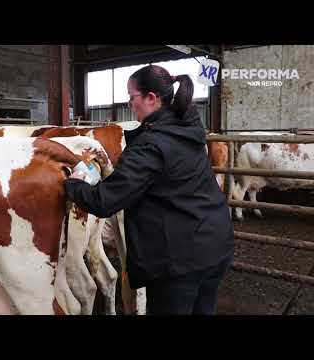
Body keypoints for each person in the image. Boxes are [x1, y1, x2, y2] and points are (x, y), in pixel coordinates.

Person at [63, 65, 234, 315]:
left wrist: (73, 183)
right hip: (216, 244)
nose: (130, 103)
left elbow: (104, 201)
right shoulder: (188, 124)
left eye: (132, 97)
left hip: (179, 262)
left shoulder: (150, 146)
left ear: (151, 98)